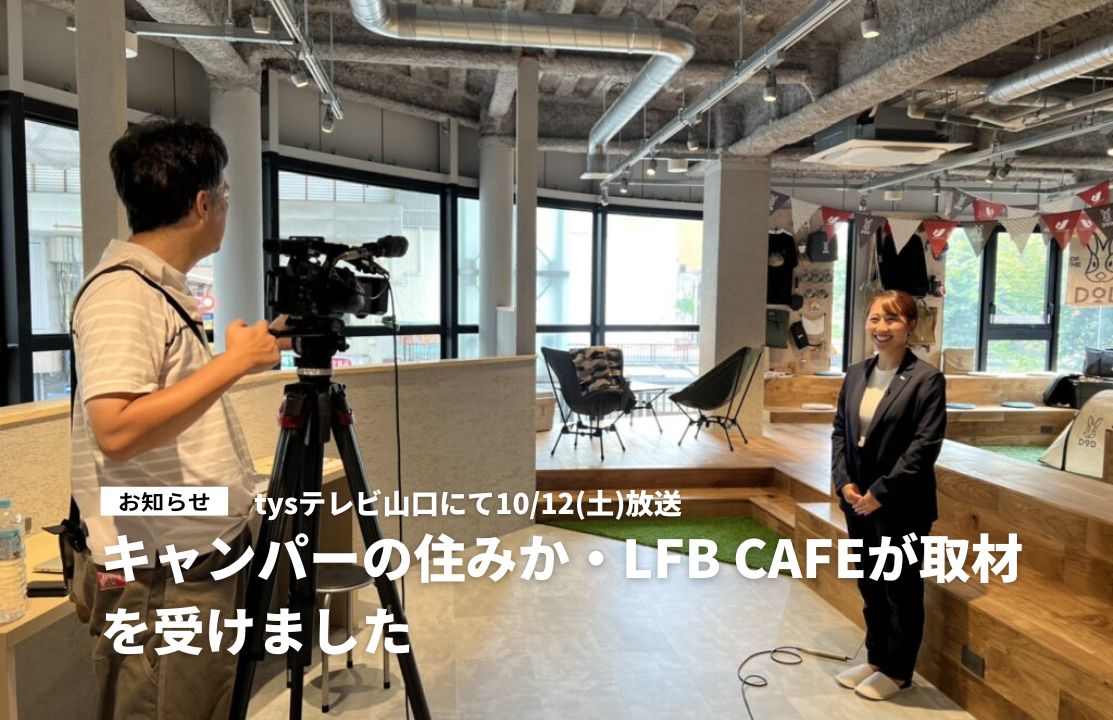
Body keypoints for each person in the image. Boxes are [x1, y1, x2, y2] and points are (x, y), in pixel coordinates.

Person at [68, 118, 281, 719]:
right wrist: (234, 364)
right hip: (163, 581)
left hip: (189, 565)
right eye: (227, 193)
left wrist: (248, 352)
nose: (228, 207)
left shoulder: (156, 288)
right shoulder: (122, 294)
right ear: (203, 204)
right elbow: (117, 430)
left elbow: (160, 407)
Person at [830, 289, 946, 701]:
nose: (881, 327)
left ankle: (898, 672)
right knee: (870, 583)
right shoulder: (856, 373)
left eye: (892, 319)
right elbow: (841, 432)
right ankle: (876, 659)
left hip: (902, 504)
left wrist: (881, 492)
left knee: (900, 587)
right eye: (875, 318)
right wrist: (844, 481)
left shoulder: (926, 379)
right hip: (857, 501)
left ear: (909, 326)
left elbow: (925, 446)